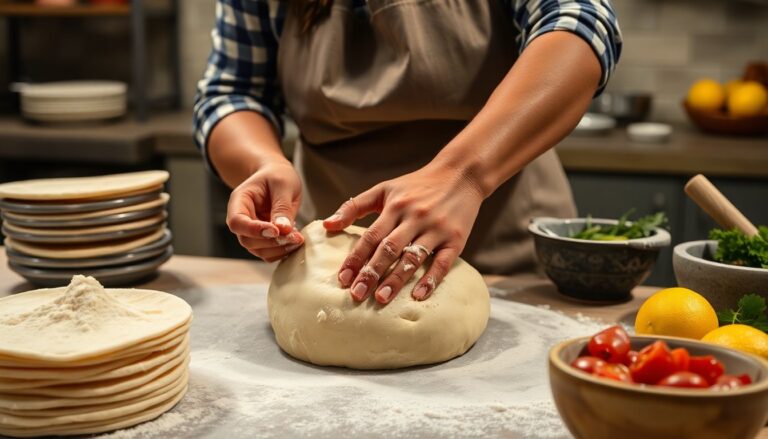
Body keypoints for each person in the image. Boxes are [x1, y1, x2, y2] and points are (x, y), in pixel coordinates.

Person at [193, 0, 622, 305]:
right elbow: (230, 94)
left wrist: (461, 176)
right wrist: (264, 162)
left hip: (504, 263)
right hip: (337, 271)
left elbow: (581, 24)